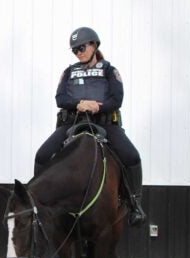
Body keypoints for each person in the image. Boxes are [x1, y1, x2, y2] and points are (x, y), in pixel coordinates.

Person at [34, 27, 146, 226]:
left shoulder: (110, 71)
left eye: (82, 47)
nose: (79, 52)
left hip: (104, 123)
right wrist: (78, 104)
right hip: (72, 122)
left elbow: (117, 98)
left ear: (94, 45)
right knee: (42, 156)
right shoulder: (68, 72)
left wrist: (97, 106)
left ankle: (135, 203)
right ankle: (36, 205)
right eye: (75, 50)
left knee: (132, 156)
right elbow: (60, 98)